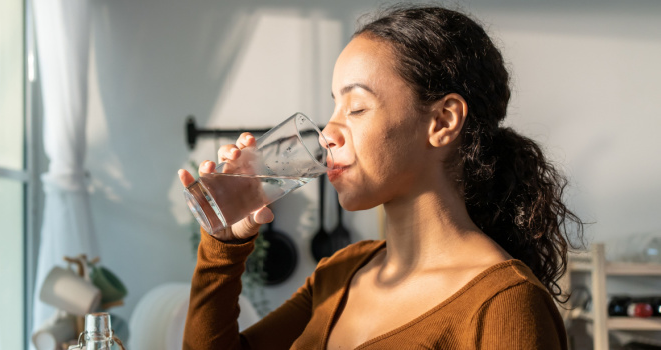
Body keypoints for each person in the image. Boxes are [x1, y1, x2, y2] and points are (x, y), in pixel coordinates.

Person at [177, 5, 582, 349]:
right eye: (334, 107)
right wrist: (223, 245)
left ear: (443, 121)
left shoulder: (504, 305)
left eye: (356, 107)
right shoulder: (340, 273)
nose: (327, 133)